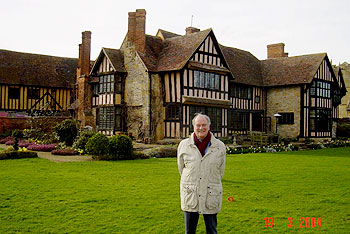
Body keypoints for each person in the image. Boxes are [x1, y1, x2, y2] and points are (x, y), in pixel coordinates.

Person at [177, 113, 226, 234]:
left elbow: (221, 171)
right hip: (190, 194)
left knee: (211, 231)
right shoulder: (184, 145)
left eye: (204, 125)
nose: (201, 128)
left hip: (211, 195)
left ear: (209, 126)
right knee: (189, 232)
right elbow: (181, 168)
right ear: (193, 127)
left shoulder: (220, 146)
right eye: (198, 125)